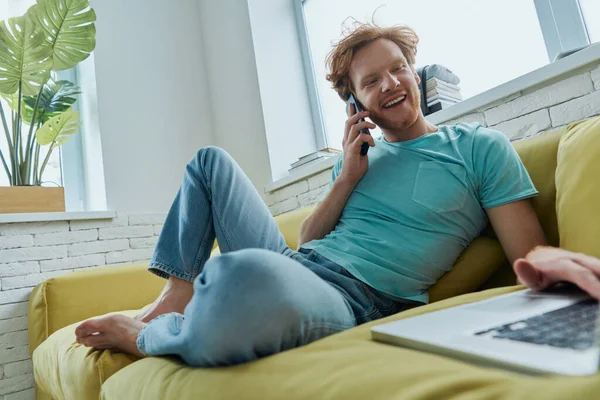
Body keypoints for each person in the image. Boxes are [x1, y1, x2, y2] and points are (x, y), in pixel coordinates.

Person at [75, 22, 600, 366]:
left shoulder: (477, 147)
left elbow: (527, 254)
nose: (392, 84)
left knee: (241, 275)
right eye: (372, 81)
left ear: (414, 73)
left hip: (354, 297)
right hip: (300, 263)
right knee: (210, 162)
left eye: (398, 69)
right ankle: (177, 296)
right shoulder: (361, 158)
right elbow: (308, 238)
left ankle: (147, 335)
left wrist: (557, 268)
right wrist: (347, 175)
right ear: (356, 102)